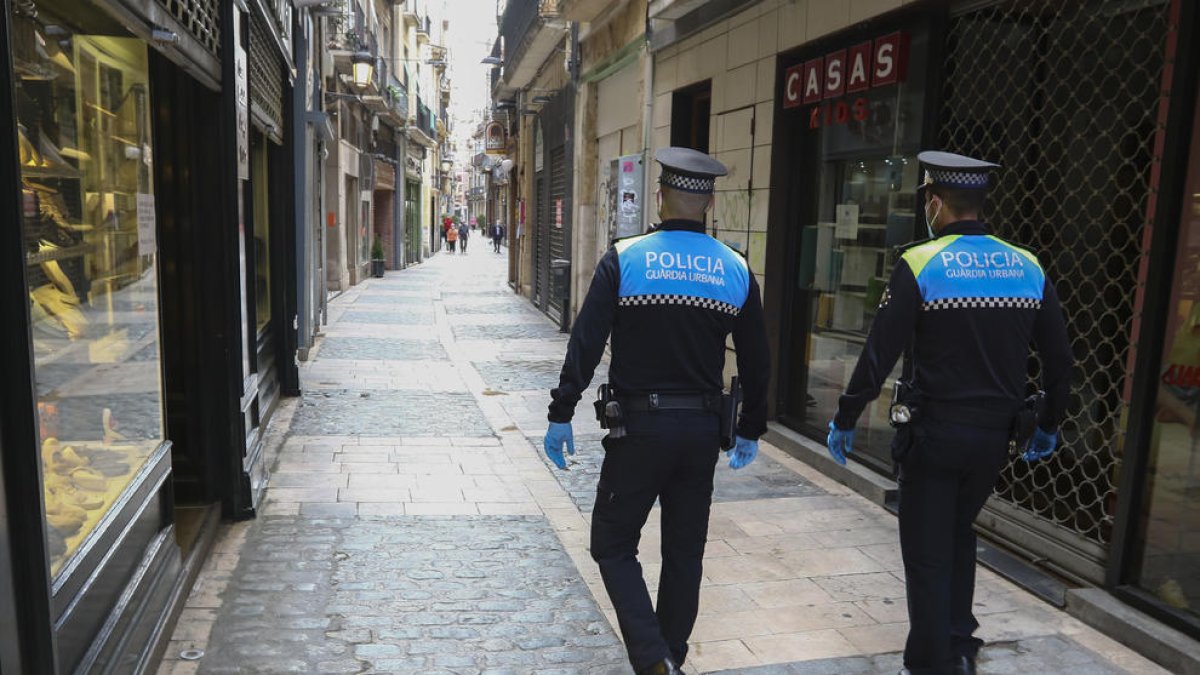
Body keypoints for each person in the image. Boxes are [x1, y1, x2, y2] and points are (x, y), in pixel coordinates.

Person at [825, 151, 1073, 675]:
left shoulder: (921, 262)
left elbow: (879, 352)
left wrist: (847, 415)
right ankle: (960, 647)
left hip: (933, 436)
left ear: (935, 203)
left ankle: (930, 663)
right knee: (960, 533)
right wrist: (1050, 423)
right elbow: (1060, 360)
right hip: (993, 440)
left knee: (926, 552)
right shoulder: (1026, 265)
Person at [542, 147, 771, 675]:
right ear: (709, 203)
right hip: (700, 433)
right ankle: (673, 655)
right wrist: (751, 427)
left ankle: (652, 659)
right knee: (684, 554)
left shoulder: (626, 258)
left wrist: (562, 411)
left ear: (661, 195)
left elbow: (586, 341)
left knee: (612, 543)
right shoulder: (734, 269)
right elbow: (758, 360)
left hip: (638, 432)